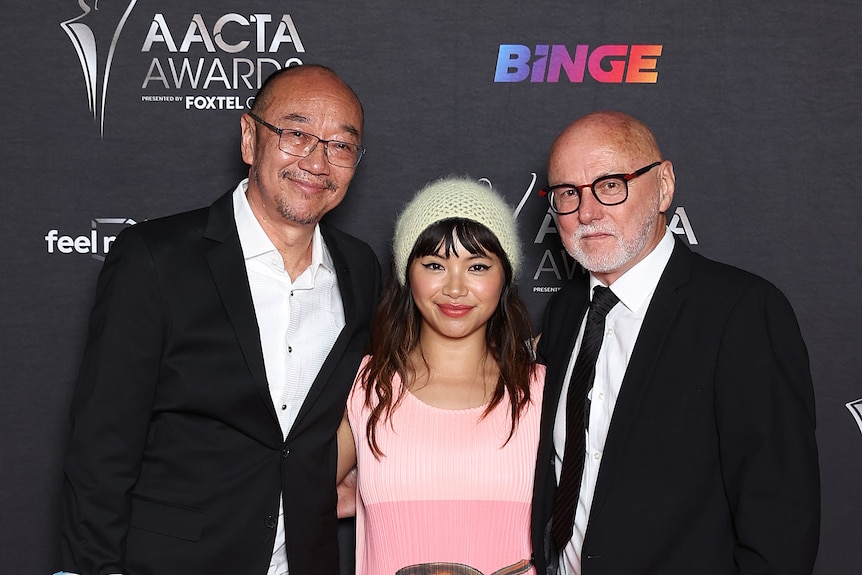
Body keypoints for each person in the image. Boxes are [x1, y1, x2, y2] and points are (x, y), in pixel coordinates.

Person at [59, 64, 381, 575]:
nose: (317, 161)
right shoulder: (155, 259)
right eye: (296, 134)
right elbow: (102, 445)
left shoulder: (360, 268)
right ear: (250, 138)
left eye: (341, 145)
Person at [530, 111, 820, 574]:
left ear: (663, 185)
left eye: (610, 184)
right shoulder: (565, 313)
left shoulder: (741, 312)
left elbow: (781, 519)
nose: (587, 212)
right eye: (568, 193)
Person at [336, 176, 545, 575]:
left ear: (504, 277)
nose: (454, 288)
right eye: (434, 265)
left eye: (478, 266)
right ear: (406, 273)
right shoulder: (365, 387)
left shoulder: (543, 391)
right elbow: (291, 496)